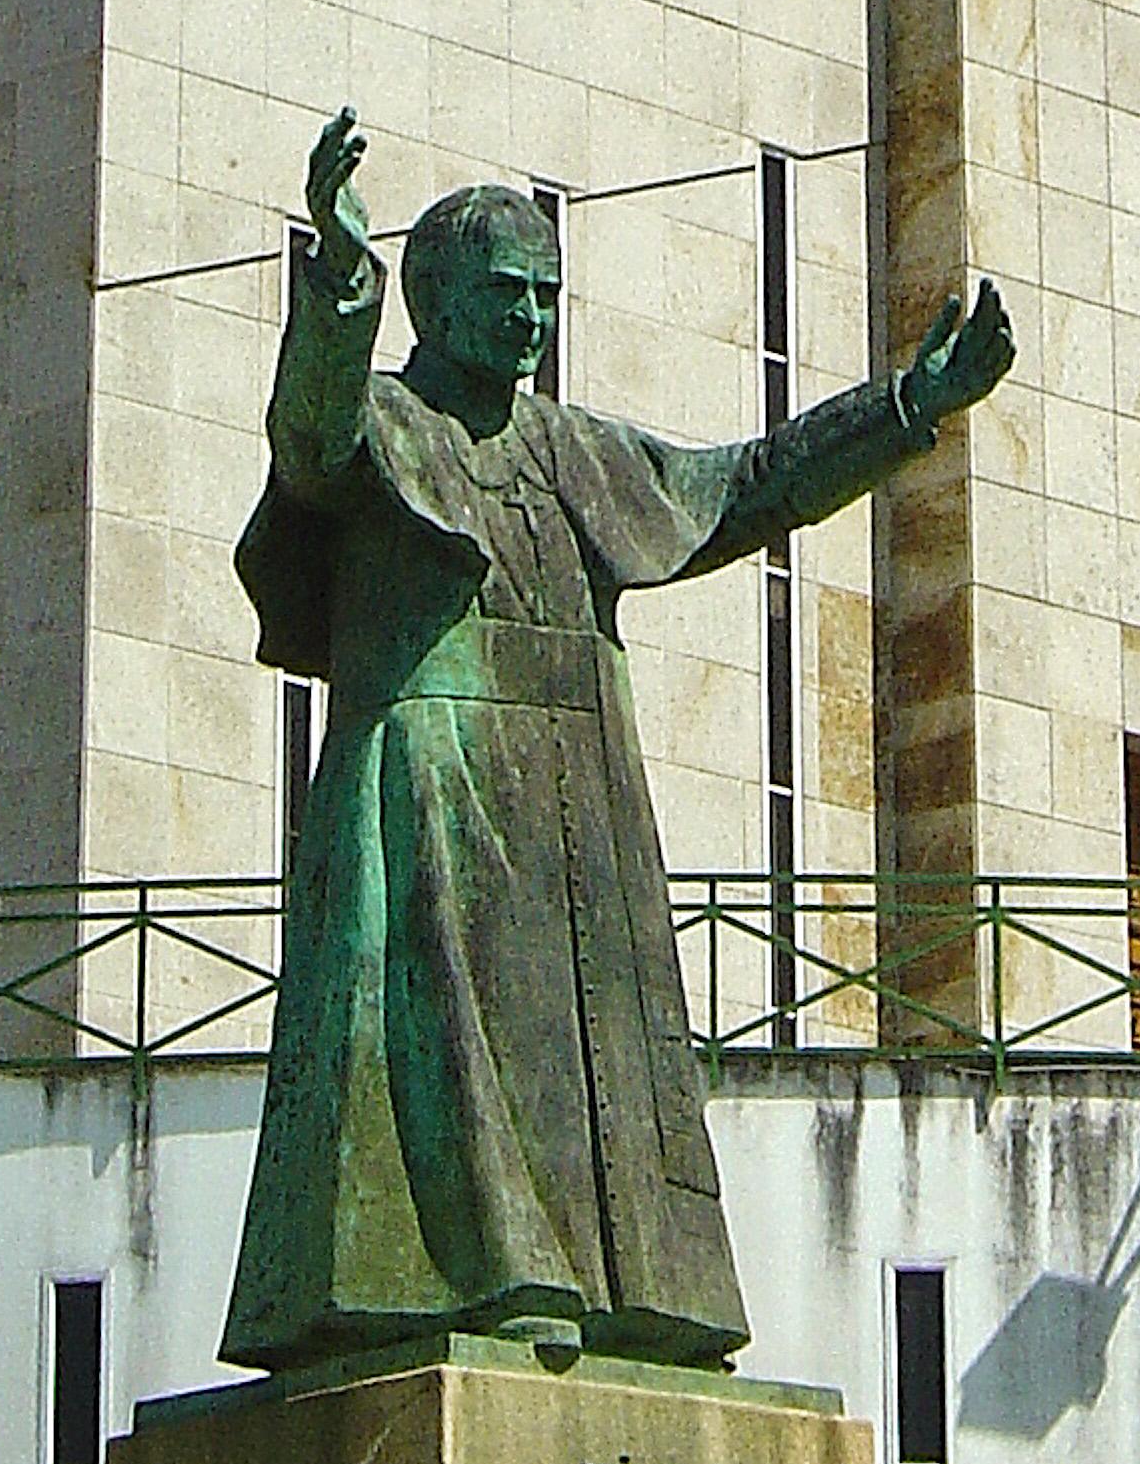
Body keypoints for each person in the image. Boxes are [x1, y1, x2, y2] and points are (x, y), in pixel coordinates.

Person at [219, 103, 1014, 1373]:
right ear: (432, 295)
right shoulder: (383, 421)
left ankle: (642, 1291)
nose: (530, 317)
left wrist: (909, 405)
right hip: (432, 771)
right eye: (502, 291)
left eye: (542, 291)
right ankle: (485, 1275)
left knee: (609, 1050)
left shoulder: (576, 448)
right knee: (445, 1048)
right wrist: (337, 277)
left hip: (580, 779)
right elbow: (306, 433)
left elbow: (744, 485)